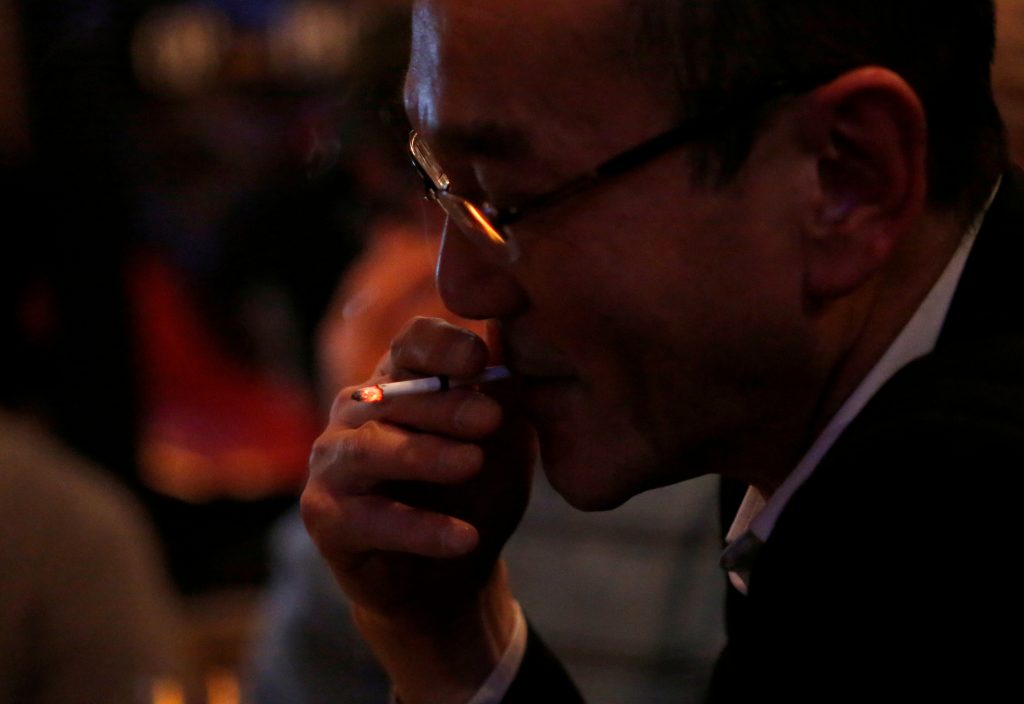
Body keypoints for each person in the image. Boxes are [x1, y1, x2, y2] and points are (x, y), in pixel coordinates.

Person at [301, 0, 1021, 701]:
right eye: (443, 188)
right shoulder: (804, 418)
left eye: (506, 198)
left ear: (844, 177)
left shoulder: (946, 522)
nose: (461, 286)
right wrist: (451, 643)